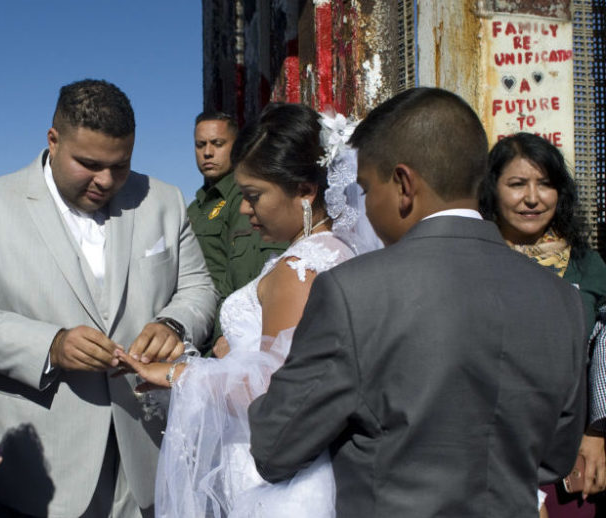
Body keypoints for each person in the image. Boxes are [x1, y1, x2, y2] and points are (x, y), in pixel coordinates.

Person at [247, 87, 588, 517]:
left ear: (404, 184)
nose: (364, 208)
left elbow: (275, 446)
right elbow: (554, 457)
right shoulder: (563, 301)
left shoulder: (353, 292)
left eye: (367, 189)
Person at [0, 79, 217, 517]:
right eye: (89, 163)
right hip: (40, 469)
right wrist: (51, 345)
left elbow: (197, 287)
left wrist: (174, 325)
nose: (105, 181)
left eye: (120, 166)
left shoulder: (164, 200)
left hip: (151, 455)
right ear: (53, 139)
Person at [119, 104, 374, 517]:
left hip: (278, 480)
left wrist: (177, 374)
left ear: (305, 191)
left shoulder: (301, 268)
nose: (243, 208)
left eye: (254, 196)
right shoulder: (340, 250)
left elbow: (278, 389)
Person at [478, 132, 606, 515]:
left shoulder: (588, 265)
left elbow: (603, 348)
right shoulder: (473, 259)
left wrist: (596, 432)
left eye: (545, 184)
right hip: (486, 457)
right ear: (492, 189)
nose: (532, 198)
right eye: (517, 184)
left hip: (570, 456)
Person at [187, 111, 286, 354]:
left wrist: (228, 333)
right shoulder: (195, 207)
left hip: (229, 333)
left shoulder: (243, 197)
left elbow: (247, 270)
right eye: (200, 145)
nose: (207, 152)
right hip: (199, 324)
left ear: (236, 146)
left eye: (217, 144)